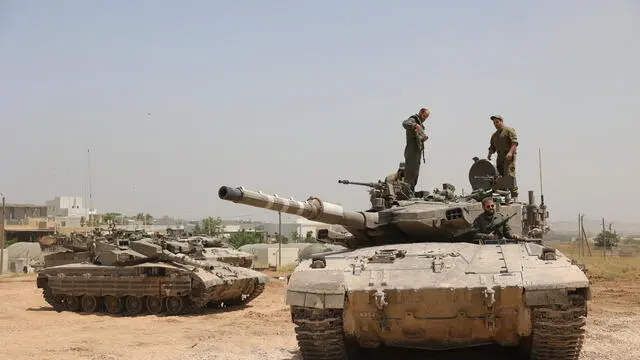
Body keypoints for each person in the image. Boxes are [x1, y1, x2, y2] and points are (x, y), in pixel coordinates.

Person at [487, 114, 519, 198]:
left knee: (509, 176)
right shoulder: (494, 135)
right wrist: (490, 153)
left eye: (497, 122)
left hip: (508, 157)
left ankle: (514, 196)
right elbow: (492, 147)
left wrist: (510, 153)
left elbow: (514, 143)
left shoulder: (509, 130)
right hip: (500, 158)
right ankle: (504, 197)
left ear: (501, 121)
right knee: (499, 178)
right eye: (494, 123)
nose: (495, 124)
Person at [402, 108, 430, 190]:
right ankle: (406, 192)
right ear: (420, 113)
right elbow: (405, 123)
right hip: (411, 151)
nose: (425, 119)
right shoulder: (413, 119)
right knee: (410, 174)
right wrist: (414, 125)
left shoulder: (420, 124)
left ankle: (411, 192)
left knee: (414, 175)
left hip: (417, 152)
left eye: (426, 117)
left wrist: (423, 138)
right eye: (424, 116)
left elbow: (418, 137)